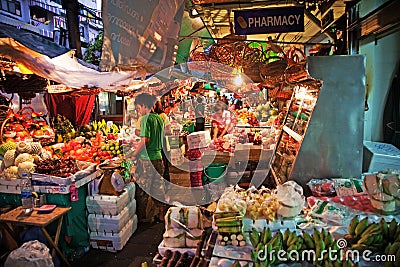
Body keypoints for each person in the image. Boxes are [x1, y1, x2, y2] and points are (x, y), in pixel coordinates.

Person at [132, 93, 168, 223]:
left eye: (138, 108)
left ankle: (142, 218)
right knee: (157, 187)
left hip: (147, 159)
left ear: (143, 106)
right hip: (158, 158)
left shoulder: (145, 119)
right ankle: (161, 214)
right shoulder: (159, 118)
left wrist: (135, 153)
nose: (138, 111)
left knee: (142, 189)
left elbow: (145, 140)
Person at [152, 100, 171, 192]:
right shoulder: (151, 117)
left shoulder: (162, 116)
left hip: (162, 142)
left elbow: (169, 131)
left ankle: (166, 187)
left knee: (164, 165)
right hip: (155, 144)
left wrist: (158, 131)